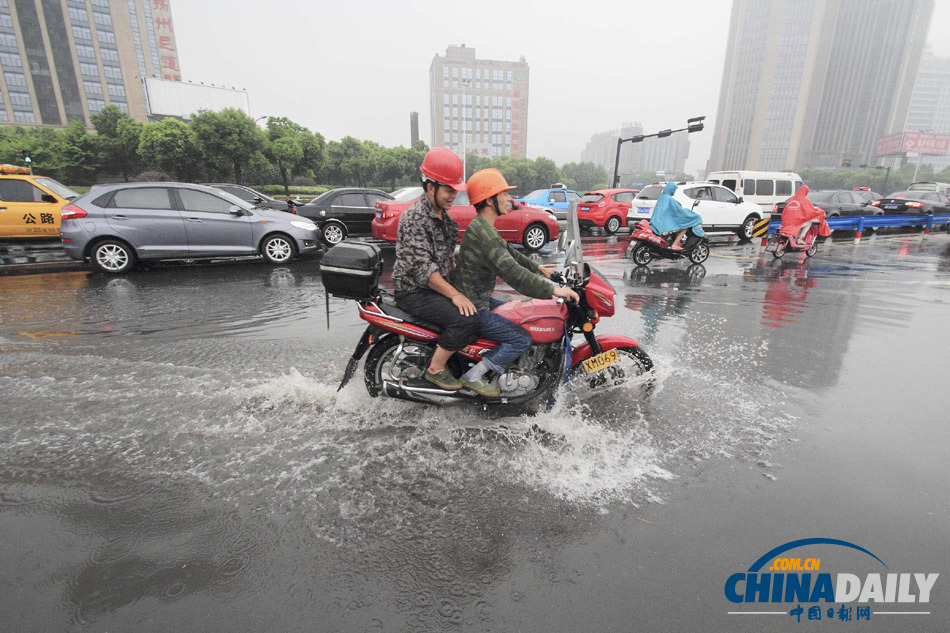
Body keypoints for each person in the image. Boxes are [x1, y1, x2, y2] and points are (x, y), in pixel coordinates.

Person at [455, 168, 580, 397]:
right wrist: (553, 290)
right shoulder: (484, 233)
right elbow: (513, 274)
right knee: (521, 337)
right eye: (503, 193)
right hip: (473, 305)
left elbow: (510, 254)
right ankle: (472, 377)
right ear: (489, 199)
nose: (508, 199)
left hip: (476, 297)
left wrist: (540, 268)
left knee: (517, 311)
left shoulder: (484, 227)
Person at [392, 147, 478, 391]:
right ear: (431, 187)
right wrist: (455, 294)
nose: (453, 195)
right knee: (465, 319)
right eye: (448, 189)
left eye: (455, 189)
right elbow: (425, 271)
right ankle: (435, 369)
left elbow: (448, 261)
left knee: (479, 310)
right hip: (414, 291)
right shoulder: (415, 218)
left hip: (434, 289)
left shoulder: (446, 220)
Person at [649, 182, 705, 250]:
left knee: (678, 225)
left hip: (656, 222)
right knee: (684, 226)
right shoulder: (669, 199)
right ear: (671, 190)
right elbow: (678, 211)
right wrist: (689, 214)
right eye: (674, 190)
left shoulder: (662, 197)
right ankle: (675, 244)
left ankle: (677, 243)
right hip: (663, 225)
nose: (674, 192)